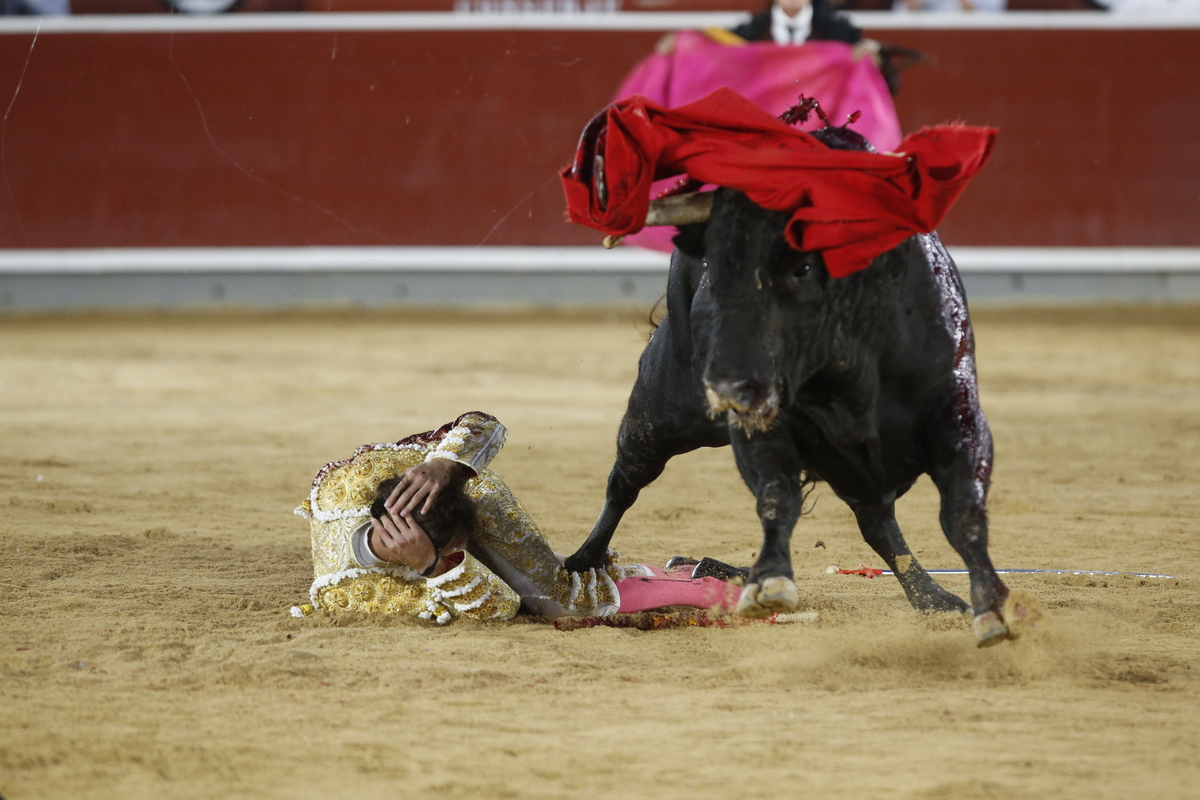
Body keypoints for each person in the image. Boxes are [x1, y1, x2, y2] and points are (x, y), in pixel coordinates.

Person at [293, 412, 744, 625]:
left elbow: (482, 422)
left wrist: (446, 463)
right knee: (536, 598)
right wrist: (433, 568)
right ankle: (681, 575)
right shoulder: (355, 591)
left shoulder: (364, 479)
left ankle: (690, 584)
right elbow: (499, 608)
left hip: (467, 489)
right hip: (433, 543)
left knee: (557, 597)